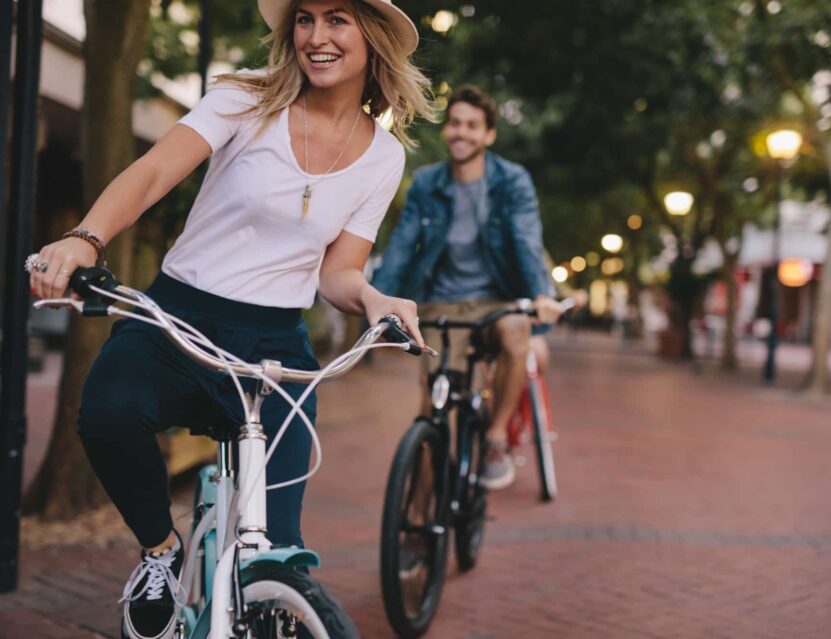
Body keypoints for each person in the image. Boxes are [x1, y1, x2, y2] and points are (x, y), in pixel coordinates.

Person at [27, 1, 433, 637]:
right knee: (107, 414)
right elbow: (154, 172)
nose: (316, 37)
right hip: (178, 317)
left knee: (275, 556)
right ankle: (162, 554)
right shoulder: (247, 100)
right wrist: (86, 238)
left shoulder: (383, 156)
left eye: (337, 20)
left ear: (371, 37)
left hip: (275, 345)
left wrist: (376, 300)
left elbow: (337, 273)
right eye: (304, 19)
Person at [373, 85, 562, 491]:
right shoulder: (427, 183)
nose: (462, 133)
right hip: (441, 303)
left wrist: (541, 295)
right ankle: (421, 528)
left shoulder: (511, 181)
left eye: (473, 126)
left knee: (517, 333)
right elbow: (403, 244)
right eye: (455, 123)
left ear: (488, 134)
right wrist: (378, 300)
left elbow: (526, 239)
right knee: (433, 413)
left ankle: (495, 437)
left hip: (496, 301)